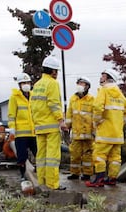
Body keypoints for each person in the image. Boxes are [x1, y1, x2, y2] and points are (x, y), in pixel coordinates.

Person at [86, 69, 126, 187]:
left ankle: (99, 179)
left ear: (107, 78)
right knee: (115, 157)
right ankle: (112, 179)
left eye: (102, 76)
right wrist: (120, 123)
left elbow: (97, 106)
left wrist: (97, 121)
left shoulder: (104, 90)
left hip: (105, 133)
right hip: (117, 134)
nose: (100, 78)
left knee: (99, 155)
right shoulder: (119, 93)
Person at [30, 55, 67, 190]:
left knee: (41, 156)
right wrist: (61, 120)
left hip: (39, 127)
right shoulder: (52, 83)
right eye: (56, 71)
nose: (56, 74)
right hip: (51, 127)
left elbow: (32, 106)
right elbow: (54, 104)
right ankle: (52, 184)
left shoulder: (37, 85)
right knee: (52, 157)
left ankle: (42, 182)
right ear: (53, 71)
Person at [7, 73, 37, 181]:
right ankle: (23, 175)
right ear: (19, 85)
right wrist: (12, 129)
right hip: (21, 133)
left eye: (28, 83)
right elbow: (11, 115)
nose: (26, 85)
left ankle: (39, 173)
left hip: (34, 132)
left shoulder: (34, 96)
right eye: (23, 83)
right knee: (22, 156)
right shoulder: (14, 97)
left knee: (38, 154)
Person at [65, 77, 95, 181]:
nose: (80, 85)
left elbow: (95, 116)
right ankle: (75, 173)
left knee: (88, 155)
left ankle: (87, 174)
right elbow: (69, 114)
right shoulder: (73, 98)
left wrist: (95, 131)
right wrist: (66, 127)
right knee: (74, 154)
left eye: (82, 84)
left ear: (87, 87)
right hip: (76, 133)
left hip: (88, 133)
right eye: (79, 83)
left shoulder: (92, 99)